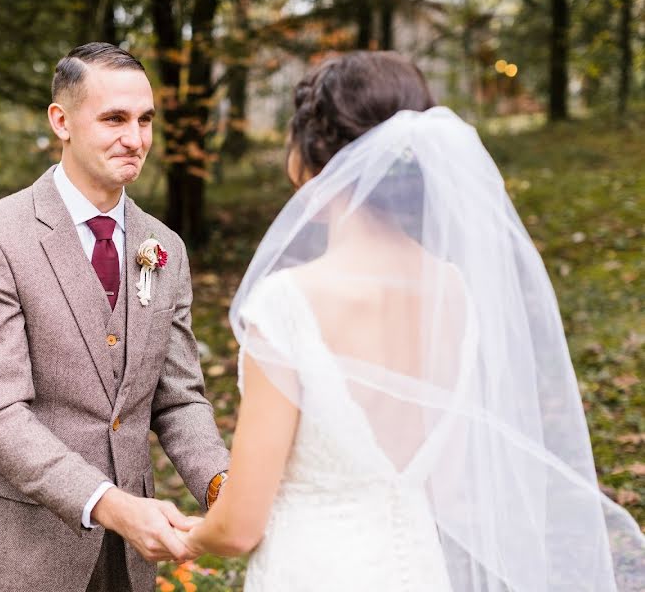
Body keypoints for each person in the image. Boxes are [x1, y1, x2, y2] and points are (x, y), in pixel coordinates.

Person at [177, 51, 645, 591]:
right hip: (418, 569)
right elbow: (444, 488)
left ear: (309, 158)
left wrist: (188, 536)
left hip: (313, 571)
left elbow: (239, 527)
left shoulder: (288, 304)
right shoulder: (455, 293)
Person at [0, 42, 230, 592]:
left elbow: (179, 396)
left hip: (129, 560)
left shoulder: (166, 248)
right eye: (114, 119)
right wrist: (110, 504)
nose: (135, 140)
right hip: (16, 550)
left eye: (145, 121)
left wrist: (220, 486)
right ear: (61, 121)